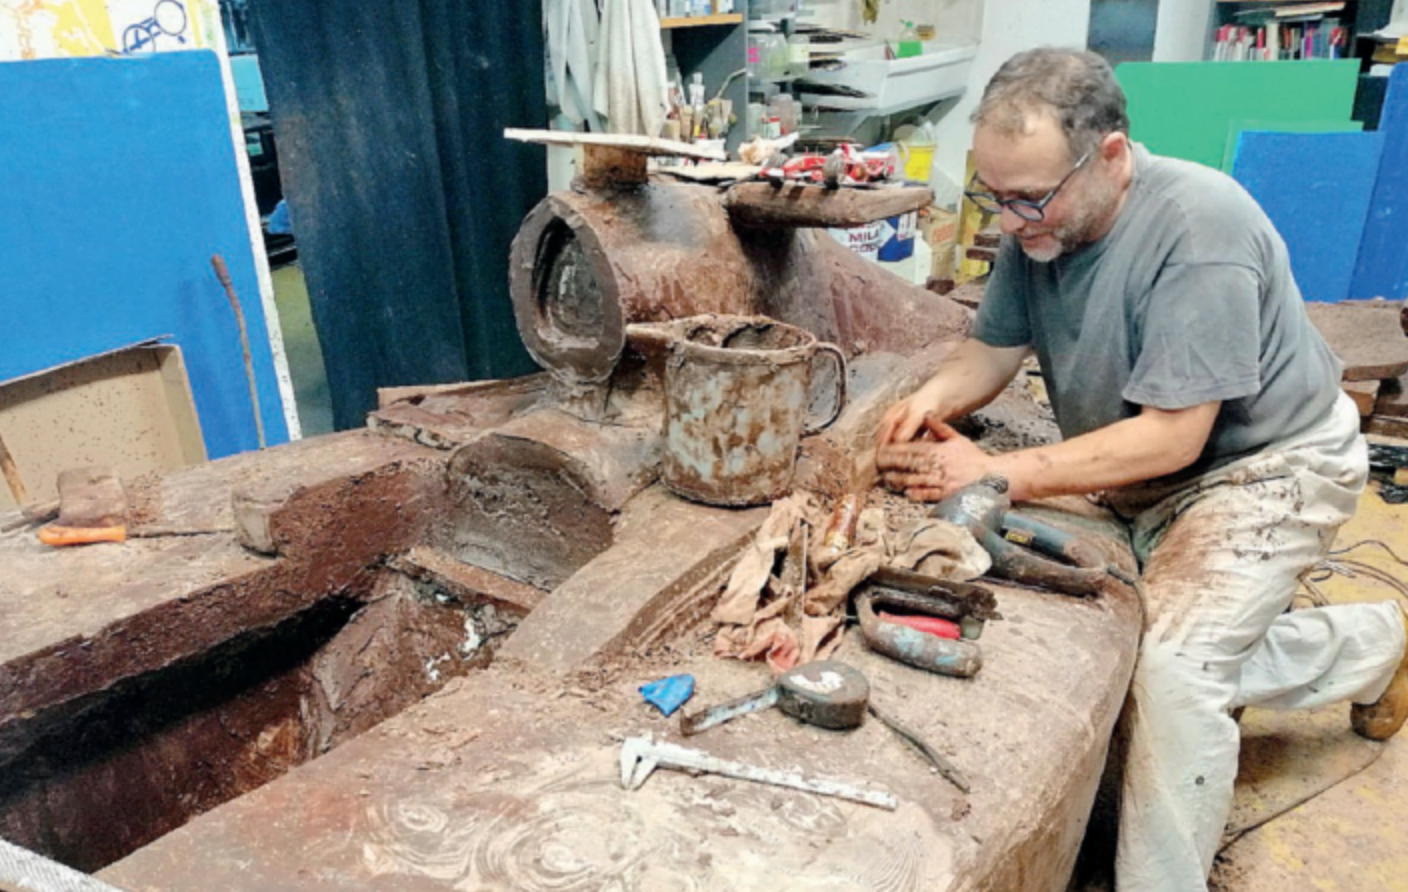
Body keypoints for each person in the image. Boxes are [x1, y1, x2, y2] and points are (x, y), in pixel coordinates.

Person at [875, 47, 1408, 892]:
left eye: (1029, 198)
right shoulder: (1040, 225)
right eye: (995, 197)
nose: (1010, 221)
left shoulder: (1201, 229)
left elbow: (1173, 440)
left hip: (1266, 467)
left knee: (1173, 668)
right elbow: (993, 348)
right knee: (1123, 645)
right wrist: (927, 400)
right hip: (1140, 471)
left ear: (1112, 155)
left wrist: (998, 472)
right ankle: (1374, 645)